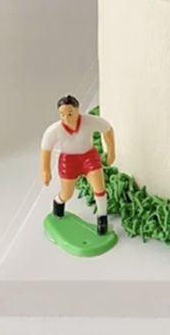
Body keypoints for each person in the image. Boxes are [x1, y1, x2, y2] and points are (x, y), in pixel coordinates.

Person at [40, 95, 115, 235]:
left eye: (70, 114)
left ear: (77, 110)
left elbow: (107, 129)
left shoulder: (89, 121)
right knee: (67, 194)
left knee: (99, 187)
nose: (66, 118)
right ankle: (58, 203)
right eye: (62, 114)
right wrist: (45, 170)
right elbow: (46, 148)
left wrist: (111, 151)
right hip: (68, 161)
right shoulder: (55, 130)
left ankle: (102, 216)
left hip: (89, 157)